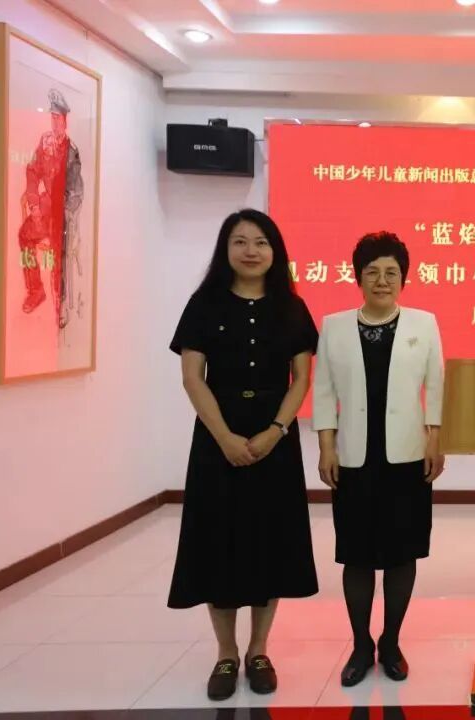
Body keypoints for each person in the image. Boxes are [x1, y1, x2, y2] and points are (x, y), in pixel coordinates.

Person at [168, 209, 320, 701]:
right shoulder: (204, 303)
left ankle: (258, 650)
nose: (251, 251)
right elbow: (192, 377)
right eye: (240, 241)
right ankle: (226, 653)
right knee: (218, 542)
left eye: (261, 242)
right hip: (217, 440)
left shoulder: (291, 307)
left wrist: (277, 430)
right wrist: (225, 438)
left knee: (269, 543)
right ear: (225, 249)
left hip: (275, 440)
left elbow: (302, 379)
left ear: (275, 251)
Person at [313, 231, 445, 687]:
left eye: (392, 272)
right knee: (357, 555)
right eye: (372, 272)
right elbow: (324, 391)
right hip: (354, 458)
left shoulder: (423, 324)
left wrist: (435, 438)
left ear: (404, 278)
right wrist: (326, 446)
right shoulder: (334, 327)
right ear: (358, 278)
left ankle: (390, 643)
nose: (382, 280)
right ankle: (359, 645)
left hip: (407, 456)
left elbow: (437, 385)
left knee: (402, 553)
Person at [18, 88, 83, 328]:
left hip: (62, 214)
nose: (55, 123)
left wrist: (64, 213)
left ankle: (61, 301)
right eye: (52, 118)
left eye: (58, 119)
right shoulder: (44, 142)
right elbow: (32, 171)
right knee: (24, 236)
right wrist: (34, 203)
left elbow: (76, 192)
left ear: (65, 121)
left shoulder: (72, 152)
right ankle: (36, 290)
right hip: (45, 208)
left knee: (58, 253)